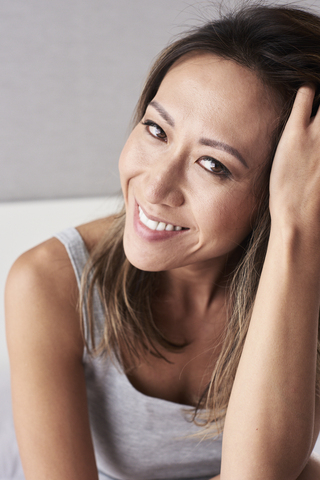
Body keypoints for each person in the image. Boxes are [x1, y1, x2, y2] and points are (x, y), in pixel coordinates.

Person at [5, 3, 320, 479]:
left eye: (214, 165)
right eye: (156, 130)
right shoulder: (48, 283)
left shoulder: (305, 289)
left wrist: (296, 230)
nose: (153, 188)